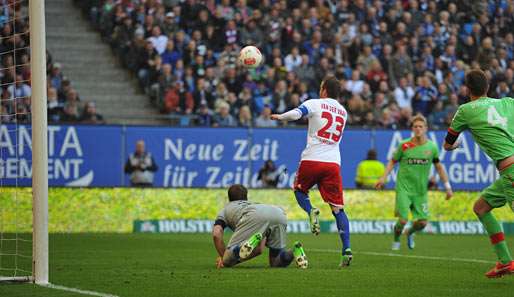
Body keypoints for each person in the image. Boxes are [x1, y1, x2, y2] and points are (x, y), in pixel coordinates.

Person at [270, 76, 352, 267]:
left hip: (312, 158)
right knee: (338, 209)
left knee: (300, 191)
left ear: (324, 89)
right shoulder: (343, 112)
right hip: (333, 163)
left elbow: (297, 114)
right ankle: (346, 248)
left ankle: (310, 210)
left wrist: (280, 117)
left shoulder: (315, 103)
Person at [443, 69, 514, 278]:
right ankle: (504, 261)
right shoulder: (508, 103)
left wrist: (453, 148)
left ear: (467, 89)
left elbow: (448, 143)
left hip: (510, 170)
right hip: (508, 171)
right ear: (488, 87)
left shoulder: (465, 110)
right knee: (481, 207)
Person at [375, 114, 453, 251]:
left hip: (420, 191)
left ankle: (410, 232)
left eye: (420, 126)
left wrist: (447, 187)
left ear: (426, 128)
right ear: (412, 128)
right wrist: (383, 177)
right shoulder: (404, 145)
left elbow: (439, 167)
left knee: (422, 223)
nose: (418, 129)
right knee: (403, 220)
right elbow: (392, 161)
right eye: (415, 126)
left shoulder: (432, 147)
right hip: (403, 189)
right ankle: (396, 239)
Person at [212, 184, 308, 269]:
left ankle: (240, 247)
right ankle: (294, 251)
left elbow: (216, 234)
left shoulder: (225, 210)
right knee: (275, 262)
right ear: (246, 197)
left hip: (253, 216)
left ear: (229, 198)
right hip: (278, 212)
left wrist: (224, 258)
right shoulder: (253, 204)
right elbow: (258, 249)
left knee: (227, 261)